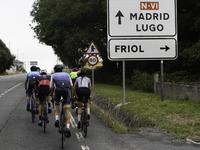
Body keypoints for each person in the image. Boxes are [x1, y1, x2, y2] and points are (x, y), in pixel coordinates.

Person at [50, 64, 73, 138]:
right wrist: (72, 96)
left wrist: (53, 96)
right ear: (62, 69)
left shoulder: (53, 75)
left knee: (57, 105)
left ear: (55, 70)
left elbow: (51, 87)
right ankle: (68, 127)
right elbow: (71, 86)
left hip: (58, 90)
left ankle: (57, 119)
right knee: (67, 110)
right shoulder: (67, 74)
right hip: (66, 90)